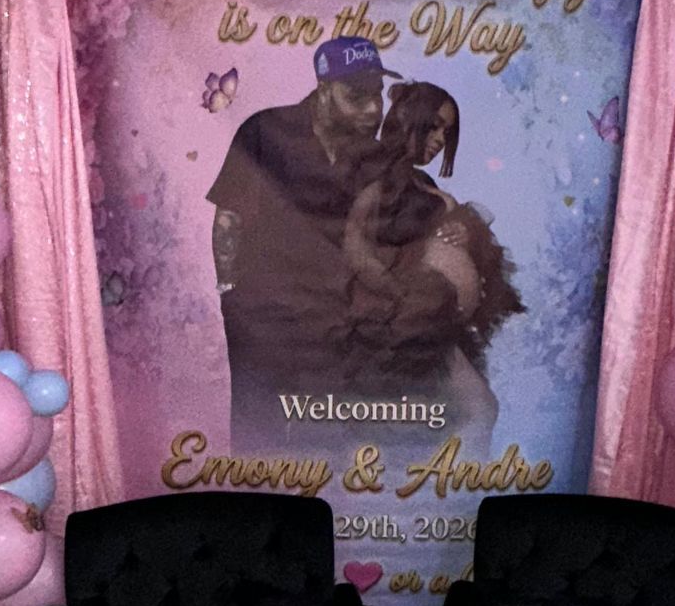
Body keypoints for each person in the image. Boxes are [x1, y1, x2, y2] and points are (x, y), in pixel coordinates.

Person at [208, 36, 392, 443]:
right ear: (324, 89)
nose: (374, 108)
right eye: (357, 96)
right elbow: (228, 218)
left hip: (335, 323)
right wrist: (229, 291)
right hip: (262, 315)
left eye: (378, 95)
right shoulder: (265, 131)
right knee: (258, 439)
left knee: (325, 442)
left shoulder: (375, 158)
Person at [342, 81, 524, 435]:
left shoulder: (419, 179)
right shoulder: (373, 168)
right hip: (397, 329)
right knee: (465, 414)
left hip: (432, 327)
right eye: (437, 125)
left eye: (448, 131)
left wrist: (464, 234)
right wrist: (397, 295)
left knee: (469, 413)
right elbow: (355, 244)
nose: (442, 139)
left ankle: (450, 489)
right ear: (411, 117)